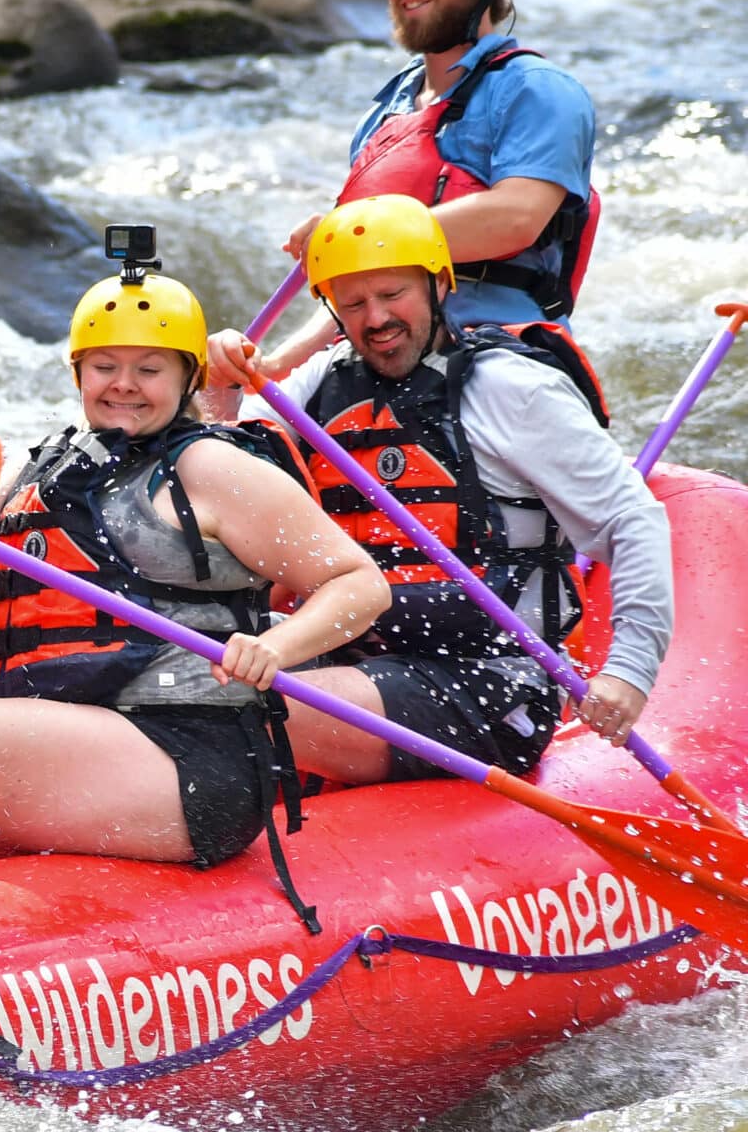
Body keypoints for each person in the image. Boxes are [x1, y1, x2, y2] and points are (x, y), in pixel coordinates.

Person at [0, 242, 386, 929]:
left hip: (183, 757)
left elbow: (359, 583)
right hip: (84, 742)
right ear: (77, 371)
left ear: (186, 377)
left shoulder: (210, 467)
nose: (123, 384)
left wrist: (278, 645)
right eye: (104, 366)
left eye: (149, 368)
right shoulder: (55, 466)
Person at [207, 194, 671, 787]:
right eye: (353, 303)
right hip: (348, 655)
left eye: (393, 294)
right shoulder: (321, 385)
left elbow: (634, 521)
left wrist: (628, 672)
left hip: (493, 682)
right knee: (172, 672)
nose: (375, 319)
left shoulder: (513, 389)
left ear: (440, 285)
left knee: (229, 703)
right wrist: (220, 390)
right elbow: (220, 478)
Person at [266, 0, 601, 374]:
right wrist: (274, 367)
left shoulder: (539, 90)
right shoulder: (389, 110)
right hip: (377, 364)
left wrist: (350, 229)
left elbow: (516, 216)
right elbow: (360, 285)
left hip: (500, 359)